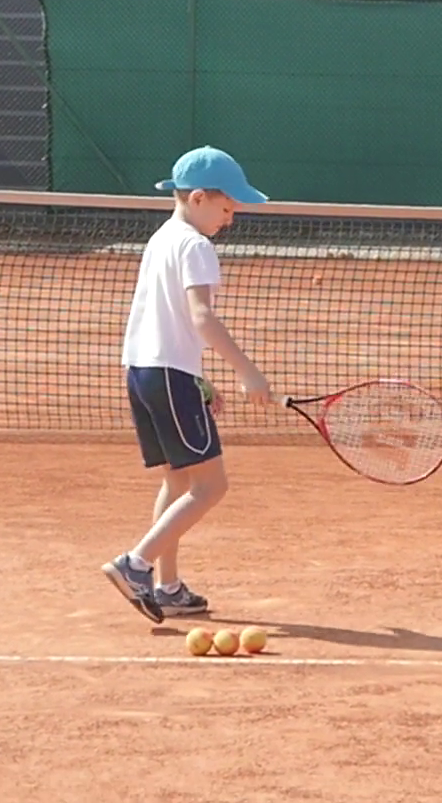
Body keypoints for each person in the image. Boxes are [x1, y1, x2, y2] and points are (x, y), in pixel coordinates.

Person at [101, 145, 274, 623]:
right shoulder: (197, 246)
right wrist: (247, 371)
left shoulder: (162, 238)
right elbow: (201, 317)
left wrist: (197, 378)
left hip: (143, 371)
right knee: (211, 486)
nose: (231, 219)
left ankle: (168, 587)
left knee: (177, 481)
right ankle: (135, 565)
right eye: (227, 208)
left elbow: (165, 320)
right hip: (168, 375)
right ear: (198, 198)